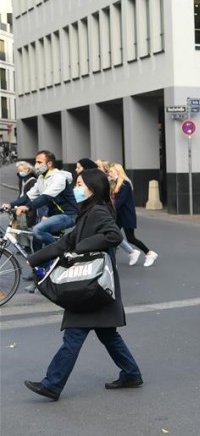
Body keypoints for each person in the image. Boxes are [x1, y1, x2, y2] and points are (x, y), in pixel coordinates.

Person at [24, 169, 143, 401]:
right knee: (108, 334)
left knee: (73, 335)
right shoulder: (87, 212)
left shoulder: (97, 211)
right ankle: (131, 373)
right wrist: (33, 259)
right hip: (94, 287)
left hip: (91, 286)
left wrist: (82, 247)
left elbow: (114, 236)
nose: (76, 189)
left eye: (79, 184)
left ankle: (52, 384)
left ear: (92, 187)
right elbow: (65, 243)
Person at [3, 151, 77, 253]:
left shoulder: (58, 178)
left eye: (39, 162)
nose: (36, 165)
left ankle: (60, 253)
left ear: (49, 164)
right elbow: (28, 196)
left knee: (37, 230)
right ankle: (44, 267)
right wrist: (10, 205)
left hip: (68, 215)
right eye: (35, 162)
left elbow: (46, 197)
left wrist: (27, 207)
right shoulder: (41, 178)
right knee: (36, 241)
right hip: (54, 215)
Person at [109, 163, 158, 267]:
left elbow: (119, 202)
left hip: (127, 215)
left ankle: (149, 253)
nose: (110, 174)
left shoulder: (125, 184)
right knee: (112, 235)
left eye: (111, 172)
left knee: (131, 238)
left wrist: (109, 210)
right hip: (120, 216)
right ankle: (115, 259)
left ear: (118, 172)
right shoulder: (116, 183)